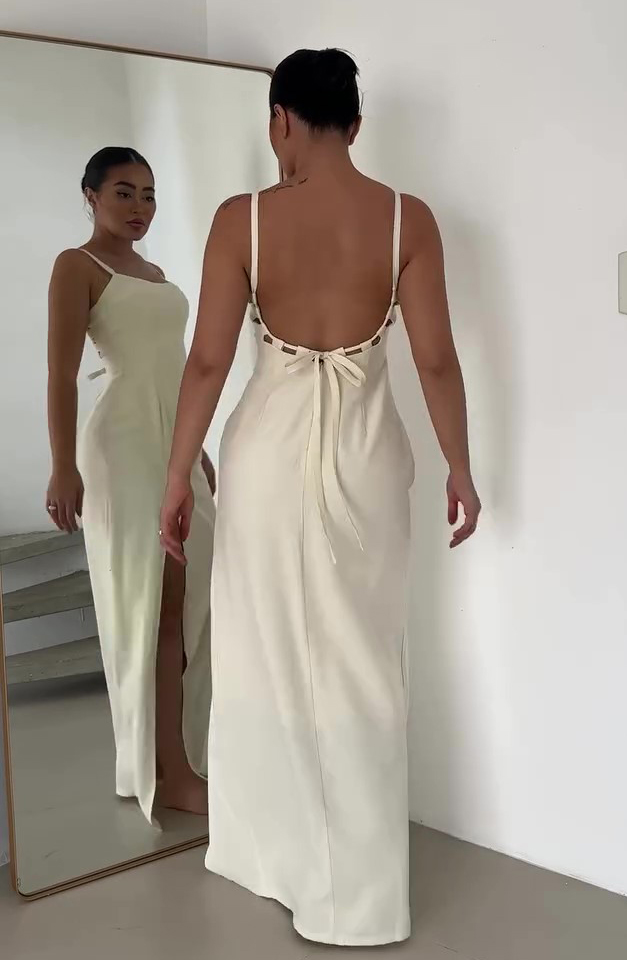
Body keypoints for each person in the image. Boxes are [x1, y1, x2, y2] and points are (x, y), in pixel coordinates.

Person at [160, 49, 480, 944]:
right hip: (368, 459)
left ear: (281, 120)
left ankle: (286, 862)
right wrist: (460, 467)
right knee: (364, 663)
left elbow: (208, 362)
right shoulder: (407, 218)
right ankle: (361, 893)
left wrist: (177, 474)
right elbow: (436, 360)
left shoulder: (243, 220)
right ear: (357, 122)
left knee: (265, 654)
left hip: (265, 461)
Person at [46, 147, 215, 821]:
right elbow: (61, 375)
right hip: (121, 446)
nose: (139, 206)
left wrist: (196, 454)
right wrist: (63, 465)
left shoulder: (156, 274)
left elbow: (179, 368)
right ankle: (168, 772)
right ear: (90, 195)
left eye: (148, 195)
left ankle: (177, 757)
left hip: (172, 446)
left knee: (188, 601)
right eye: (124, 192)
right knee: (154, 603)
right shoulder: (77, 266)